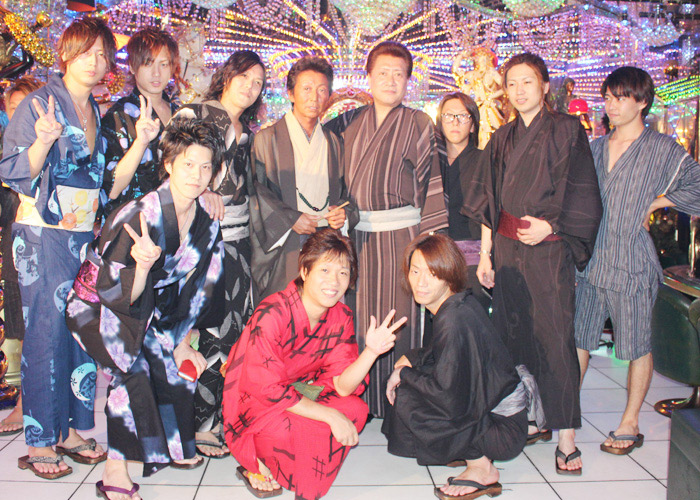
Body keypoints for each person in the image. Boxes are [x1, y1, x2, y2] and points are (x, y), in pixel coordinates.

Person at [65, 117, 226, 499]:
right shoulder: (138, 215)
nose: (197, 175)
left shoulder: (207, 221)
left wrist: (183, 341)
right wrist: (141, 267)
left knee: (168, 362)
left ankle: (170, 445)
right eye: (188, 164)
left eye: (205, 167)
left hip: (149, 309)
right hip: (97, 306)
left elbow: (200, 288)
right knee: (132, 366)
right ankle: (115, 470)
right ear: (168, 164)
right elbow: (114, 293)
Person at [462, 52, 602, 475]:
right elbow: (488, 201)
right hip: (507, 250)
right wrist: (485, 254)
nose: (519, 90)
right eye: (512, 83)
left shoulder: (567, 130)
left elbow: (582, 191)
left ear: (544, 86)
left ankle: (566, 435)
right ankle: (525, 418)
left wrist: (551, 226)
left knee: (555, 337)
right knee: (512, 334)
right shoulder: (501, 137)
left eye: (528, 82)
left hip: (548, 250)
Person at [0, 17, 117, 479]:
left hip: (82, 236)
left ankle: (69, 430)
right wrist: (44, 141)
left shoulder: (94, 112)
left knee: (78, 329)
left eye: (102, 54)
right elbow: (14, 170)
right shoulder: (39, 103)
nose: (94, 61)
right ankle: (40, 439)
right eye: (85, 51)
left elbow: (98, 179)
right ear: (65, 54)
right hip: (43, 235)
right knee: (46, 333)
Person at [222, 228, 406, 499]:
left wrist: (370, 352)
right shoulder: (271, 314)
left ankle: (290, 464)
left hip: (299, 394)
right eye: (325, 270)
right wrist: (330, 415)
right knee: (299, 427)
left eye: (343, 272)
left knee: (356, 410)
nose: (334, 281)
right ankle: (260, 460)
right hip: (256, 403)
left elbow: (342, 386)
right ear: (305, 271)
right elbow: (267, 390)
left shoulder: (340, 315)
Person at [575, 67, 700, 456]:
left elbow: (697, 185)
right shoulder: (594, 147)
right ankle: (565, 411)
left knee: (636, 344)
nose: (611, 105)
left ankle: (630, 421)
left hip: (631, 260)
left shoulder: (662, 149)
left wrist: (658, 202)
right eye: (608, 97)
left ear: (642, 101)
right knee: (578, 338)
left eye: (621, 97)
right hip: (591, 258)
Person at [326, 41, 448, 417]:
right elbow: (334, 180)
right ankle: (361, 401)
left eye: (399, 74)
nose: (391, 81)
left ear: (408, 81)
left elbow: (431, 184)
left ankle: (401, 403)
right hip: (358, 239)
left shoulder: (419, 123)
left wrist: (429, 248)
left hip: (403, 239)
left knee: (402, 316)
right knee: (360, 317)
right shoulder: (347, 124)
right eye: (383, 73)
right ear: (368, 77)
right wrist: (337, 212)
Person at [383, 233, 540, 500]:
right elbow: (447, 357)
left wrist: (403, 373)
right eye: (416, 271)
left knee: (408, 397)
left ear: (449, 274)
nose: (421, 282)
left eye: (433, 273)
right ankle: (466, 451)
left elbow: (449, 396)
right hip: (502, 421)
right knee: (414, 380)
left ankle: (481, 468)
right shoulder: (460, 303)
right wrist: (412, 360)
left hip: (501, 432)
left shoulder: (452, 319)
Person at [172, 50, 265, 458]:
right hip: (200, 239)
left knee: (232, 331)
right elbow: (169, 164)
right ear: (227, 75)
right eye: (244, 76)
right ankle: (192, 423)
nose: (250, 87)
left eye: (258, 82)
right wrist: (202, 189)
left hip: (238, 243)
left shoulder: (248, 132)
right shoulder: (194, 114)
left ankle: (218, 417)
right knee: (199, 328)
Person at [250, 56, 357, 302]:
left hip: (325, 241)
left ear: (329, 96)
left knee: (322, 307)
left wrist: (343, 214)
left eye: (322, 90)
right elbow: (257, 192)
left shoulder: (334, 142)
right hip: (287, 242)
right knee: (285, 309)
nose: (314, 97)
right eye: (306, 89)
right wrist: (290, 219)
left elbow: (347, 193)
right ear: (290, 93)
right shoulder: (267, 139)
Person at [0, 76, 44, 437]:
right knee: (24, 326)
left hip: (53, 242)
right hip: (15, 245)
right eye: (12, 108)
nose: (19, 115)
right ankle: (23, 403)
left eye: (26, 107)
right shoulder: (6, 150)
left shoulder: (56, 144)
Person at [101, 27, 180, 219]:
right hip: (132, 222)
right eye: (147, 64)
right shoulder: (118, 115)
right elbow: (111, 189)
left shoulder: (180, 114)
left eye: (164, 64)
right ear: (132, 66)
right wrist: (140, 143)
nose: (156, 73)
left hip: (176, 220)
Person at [435, 91, 489, 311]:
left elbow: (489, 214)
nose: (455, 122)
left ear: (473, 125)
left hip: (472, 260)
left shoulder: (484, 160)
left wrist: (486, 256)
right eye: (449, 116)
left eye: (463, 116)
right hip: (436, 259)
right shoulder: (430, 162)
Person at [451, 48, 504, 148]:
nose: (481, 61)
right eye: (479, 59)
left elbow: (505, 87)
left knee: (491, 130)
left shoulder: (492, 73)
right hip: (477, 107)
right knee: (478, 132)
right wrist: (461, 56)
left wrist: (491, 97)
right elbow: (456, 72)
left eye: (484, 59)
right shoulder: (474, 75)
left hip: (489, 107)